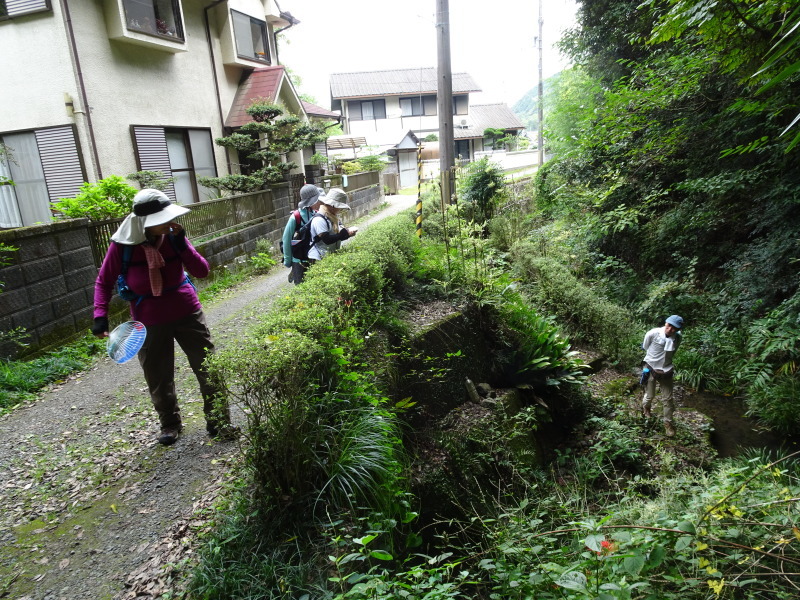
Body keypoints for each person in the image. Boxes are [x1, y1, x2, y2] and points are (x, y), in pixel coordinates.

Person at [92, 189, 234, 446]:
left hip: (187, 312)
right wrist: (100, 315)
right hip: (148, 318)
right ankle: (169, 424)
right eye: (162, 220)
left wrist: (182, 245)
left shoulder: (173, 237)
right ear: (144, 223)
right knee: (158, 374)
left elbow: (201, 270)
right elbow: (104, 281)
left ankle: (219, 420)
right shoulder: (122, 246)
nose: (169, 223)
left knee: (207, 367)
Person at [641, 314, 684, 437]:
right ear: (666, 322)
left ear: (678, 329)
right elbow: (645, 346)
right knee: (650, 395)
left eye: (674, 328)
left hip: (667, 370)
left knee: (668, 399)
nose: (670, 329)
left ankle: (668, 423)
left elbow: (673, 352)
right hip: (650, 367)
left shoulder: (678, 338)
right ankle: (646, 409)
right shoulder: (653, 333)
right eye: (669, 325)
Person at [282, 184, 324, 285]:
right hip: (298, 259)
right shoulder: (295, 217)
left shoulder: (317, 213)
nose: (319, 202)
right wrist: (288, 261)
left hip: (315, 257)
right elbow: (286, 239)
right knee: (301, 287)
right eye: (317, 200)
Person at [308, 188, 358, 262]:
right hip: (319, 258)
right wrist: (342, 235)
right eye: (340, 207)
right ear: (333, 206)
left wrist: (347, 234)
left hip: (328, 256)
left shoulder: (332, 217)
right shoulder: (319, 219)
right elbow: (327, 239)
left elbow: (335, 238)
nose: (340, 209)